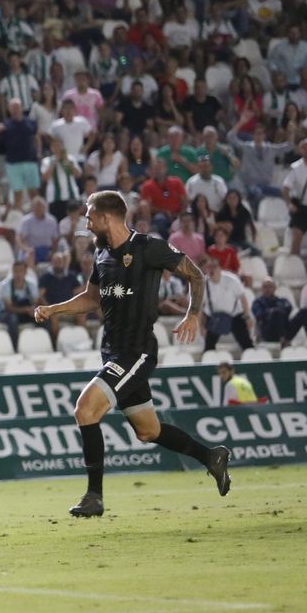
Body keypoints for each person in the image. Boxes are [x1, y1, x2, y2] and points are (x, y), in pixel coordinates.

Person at [34, 190, 233, 518]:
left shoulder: (148, 247)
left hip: (136, 352)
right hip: (112, 351)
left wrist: (193, 314)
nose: (87, 222)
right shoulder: (101, 252)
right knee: (148, 431)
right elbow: (92, 298)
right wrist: (54, 309)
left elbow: (195, 274)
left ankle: (94, 497)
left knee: (85, 410)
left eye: (90, 216)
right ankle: (211, 457)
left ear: (106, 217)